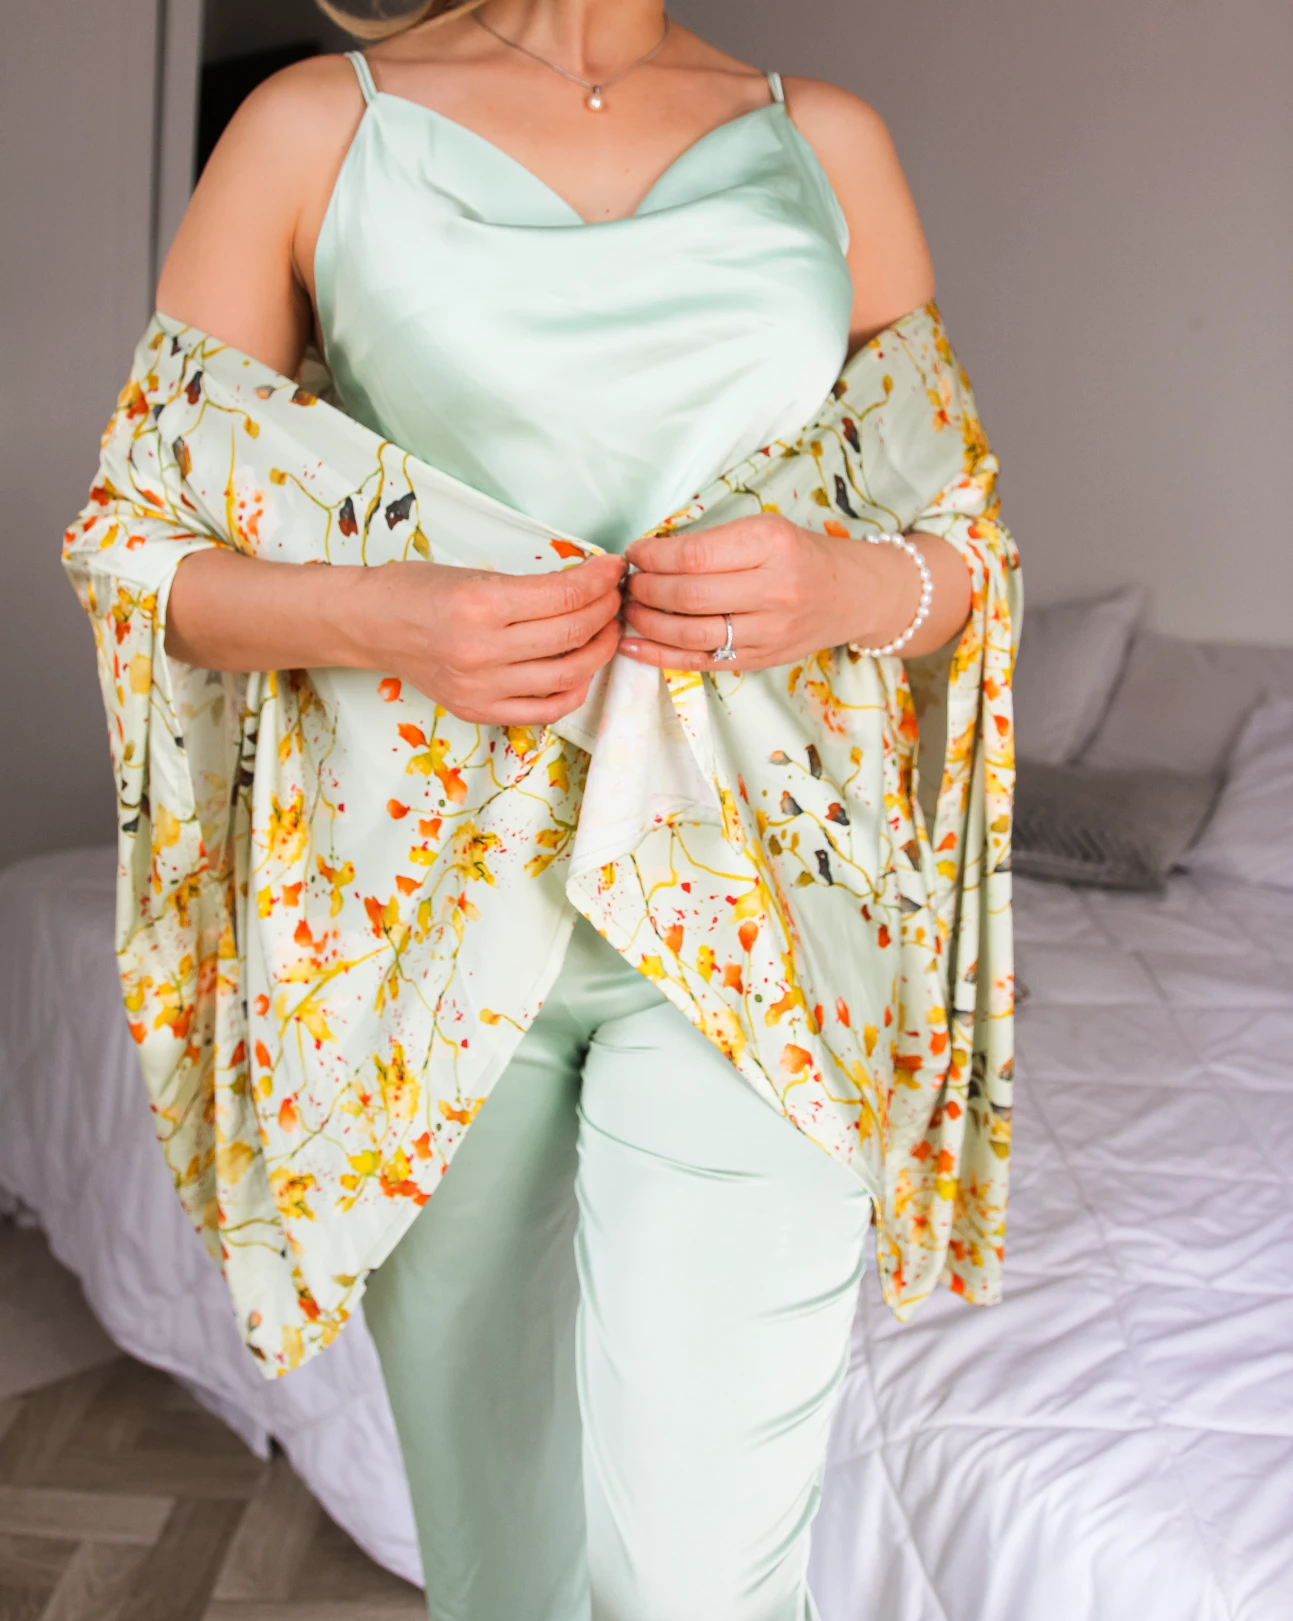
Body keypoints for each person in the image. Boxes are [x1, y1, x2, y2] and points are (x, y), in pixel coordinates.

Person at [147, 3, 979, 1617]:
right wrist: (386, 616)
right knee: (500, 1565)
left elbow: (957, 547)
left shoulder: (826, 142)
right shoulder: (321, 127)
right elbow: (149, 551)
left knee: (702, 1579)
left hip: (764, 912)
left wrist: (844, 587)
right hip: (415, 924)